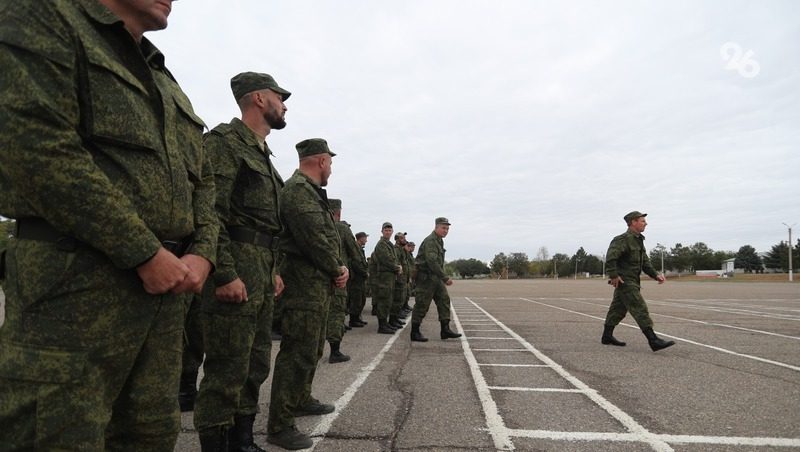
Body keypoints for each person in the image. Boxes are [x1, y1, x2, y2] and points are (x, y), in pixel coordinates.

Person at [0, 1, 217, 450]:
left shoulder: (165, 79)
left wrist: (203, 252)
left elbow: (205, 183)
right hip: (75, 291)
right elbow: (39, 151)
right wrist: (143, 251)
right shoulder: (42, 15)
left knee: (150, 436)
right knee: (58, 436)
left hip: (164, 298)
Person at [193, 72, 290, 452]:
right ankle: (215, 443)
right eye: (280, 97)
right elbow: (210, 212)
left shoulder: (265, 157)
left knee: (255, 363)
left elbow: (266, 225)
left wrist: (274, 271)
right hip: (234, 267)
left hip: (262, 269)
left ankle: (243, 440)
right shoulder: (224, 144)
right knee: (227, 366)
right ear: (259, 99)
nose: (285, 106)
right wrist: (224, 273)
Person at [266, 138, 347, 450]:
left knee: (311, 349)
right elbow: (314, 239)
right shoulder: (299, 191)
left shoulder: (310, 192)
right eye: (331, 163)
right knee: (297, 353)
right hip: (302, 287)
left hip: (315, 286)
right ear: (321, 161)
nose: (331, 169)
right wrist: (338, 268)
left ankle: (300, 399)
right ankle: (280, 425)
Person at [602, 211, 675, 352]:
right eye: (642, 221)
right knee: (639, 307)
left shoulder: (638, 240)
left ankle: (607, 336)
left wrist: (656, 275)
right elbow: (611, 258)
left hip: (633, 280)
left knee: (618, 309)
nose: (645, 223)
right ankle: (653, 340)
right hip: (625, 281)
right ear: (633, 222)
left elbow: (645, 263)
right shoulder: (622, 240)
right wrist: (614, 276)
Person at [411, 218, 461, 342]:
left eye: (447, 229)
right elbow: (431, 261)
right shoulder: (431, 241)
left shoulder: (439, 241)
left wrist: (440, 277)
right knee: (422, 304)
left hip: (435, 277)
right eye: (443, 228)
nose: (446, 231)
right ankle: (414, 332)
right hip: (426, 278)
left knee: (444, 301)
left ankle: (445, 330)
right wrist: (444, 277)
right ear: (436, 227)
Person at [326, 198, 354, 364]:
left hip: (318, 276)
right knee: (337, 311)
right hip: (338, 275)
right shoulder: (342, 228)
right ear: (338, 212)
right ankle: (334, 351)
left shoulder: (317, 224)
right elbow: (354, 251)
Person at [371, 222, 403, 334]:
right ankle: (382, 325)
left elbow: (393, 259)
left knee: (388, 300)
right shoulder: (381, 244)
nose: (388, 232)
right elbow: (387, 259)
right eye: (386, 230)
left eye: (390, 230)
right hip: (384, 276)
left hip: (389, 276)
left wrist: (397, 267)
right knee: (383, 300)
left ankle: (386, 323)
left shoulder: (388, 244)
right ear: (382, 231)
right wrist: (397, 268)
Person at [348, 232, 370, 327]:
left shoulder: (360, 249)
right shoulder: (355, 249)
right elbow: (356, 264)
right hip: (356, 278)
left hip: (360, 278)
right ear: (361, 238)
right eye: (365, 238)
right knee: (356, 300)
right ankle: (353, 320)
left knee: (361, 299)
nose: (366, 240)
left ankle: (357, 318)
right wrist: (365, 273)